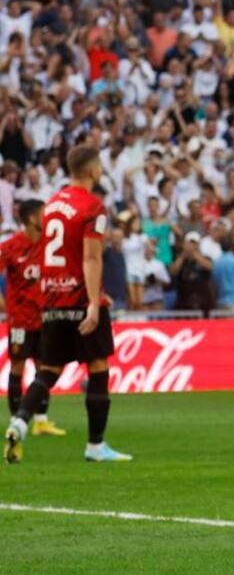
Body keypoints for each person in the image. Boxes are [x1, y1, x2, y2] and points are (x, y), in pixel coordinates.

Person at [6, 145, 132, 463]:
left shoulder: (51, 205)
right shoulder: (93, 207)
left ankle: (19, 422)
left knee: (48, 369)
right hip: (79, 297)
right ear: (92, 170)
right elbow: (90, 257)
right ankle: (95, 446)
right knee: (98, 364)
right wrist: (93, 302)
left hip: (51, 300)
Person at [1, 200, 65, 435]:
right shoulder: (11, 246)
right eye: (43, 213)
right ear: (30, 219)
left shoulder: (50, 245)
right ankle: (16, 420)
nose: (47, 217)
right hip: (20, 320)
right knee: (17, 366)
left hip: (45, 318)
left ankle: (41, 420)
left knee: (45, 367)